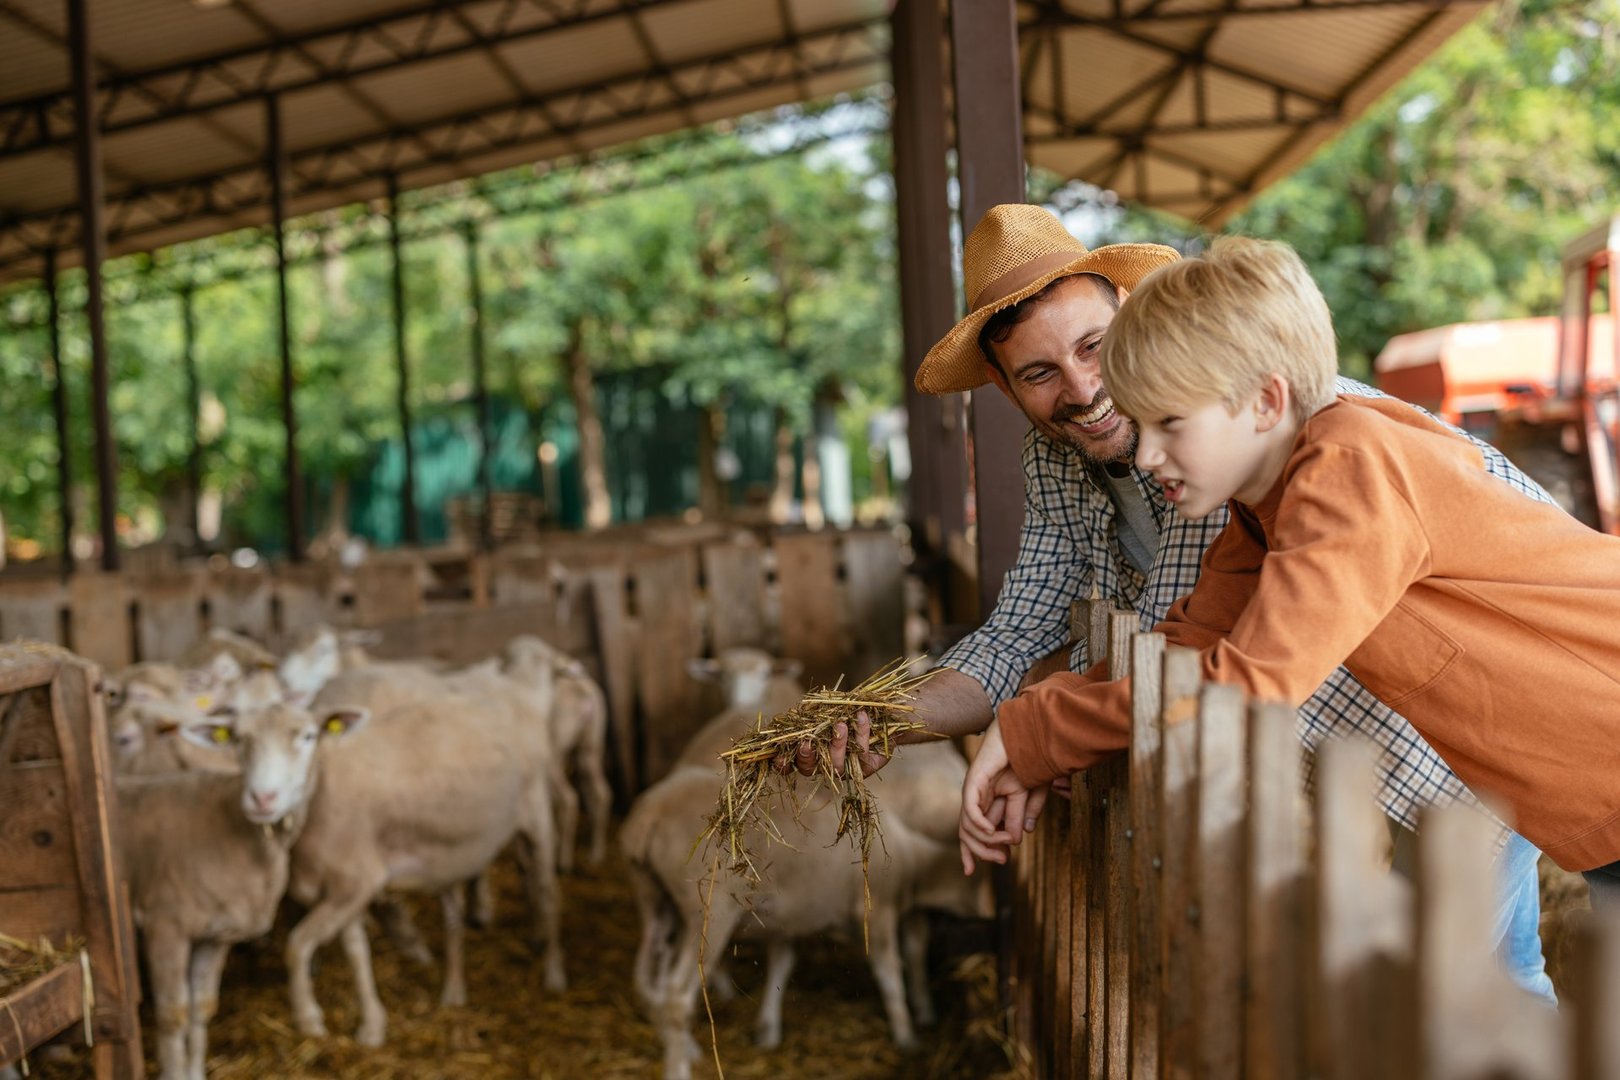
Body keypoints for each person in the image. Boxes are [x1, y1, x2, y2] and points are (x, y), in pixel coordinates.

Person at [811, 205, 1555, 1001]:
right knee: (1466, 992)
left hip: (1463, 727)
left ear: (1131, 319)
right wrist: (893, 716)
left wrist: (1034, 737)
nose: (1084, 389)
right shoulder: (1061, 456)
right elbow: (1027, 626)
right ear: (1003, 385)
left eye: (1094, 348)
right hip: (1348, 739)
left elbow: (1180, 636)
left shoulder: (1256, 424)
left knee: (1470, 1000)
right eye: (1039, 373)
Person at [956, 234, 1620, 920]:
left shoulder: (1349, 470)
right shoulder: (1262, 510)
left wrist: (1040, 730)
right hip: (1585, 800)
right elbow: (1185, 649)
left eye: (1170, 424)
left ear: (1267, 402)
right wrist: (1029, 729)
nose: (1147, 454)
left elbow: (1251, 684)